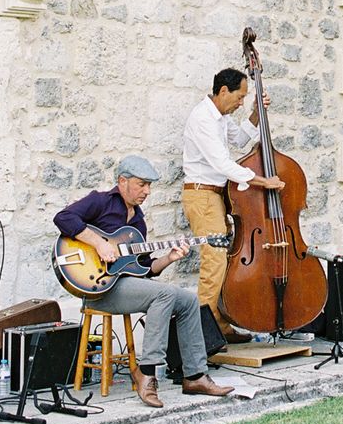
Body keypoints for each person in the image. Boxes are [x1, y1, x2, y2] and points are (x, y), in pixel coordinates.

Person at [53, 155, 233, 408]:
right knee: (165, 294)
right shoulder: (100, 201)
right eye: (141, 184)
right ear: (122, 181)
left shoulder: (137, 223)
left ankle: (194, 375)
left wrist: (169, 258)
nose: (147, 191)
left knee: (189, 300)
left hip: (127, 286)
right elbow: (63, 218)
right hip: (98, 287)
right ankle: (146, 373)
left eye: (149, 185)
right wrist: (99, 243)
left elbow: (145, 269)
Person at [182, 67, 285, 342]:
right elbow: (222, 164)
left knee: (222, 264)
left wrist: (254, 113)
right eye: (240, 97)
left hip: (215, 197)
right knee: (213, 264)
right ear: (223, 91)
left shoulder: (220, 117)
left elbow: (239, 140)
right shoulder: (203, 118)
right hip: (203, 197)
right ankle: (202, 338)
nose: (241, 103)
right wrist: (263, 182)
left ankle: (220, 327)